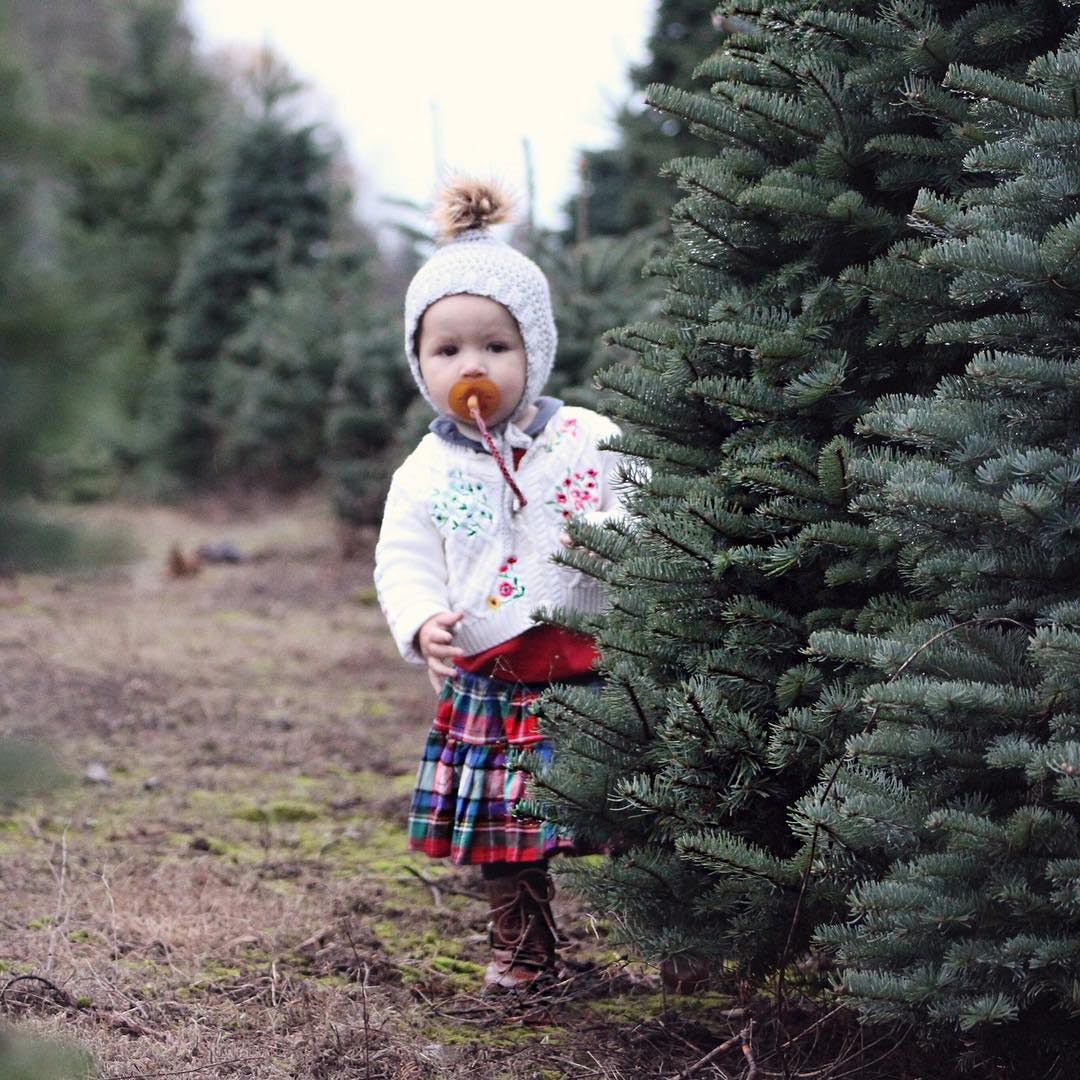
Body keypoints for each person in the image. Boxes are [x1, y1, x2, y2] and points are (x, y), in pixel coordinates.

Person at [373, 178, 629, 992]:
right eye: (447, 351)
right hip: (496, 672)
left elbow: (650, 517)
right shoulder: (426, 469)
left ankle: (677, 933)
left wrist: (612, 545)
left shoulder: (588, 438)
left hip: (594, 667)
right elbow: (403, 559)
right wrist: (420, 625)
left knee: (633, 811)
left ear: (535, 351)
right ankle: (523, 948)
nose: (471, 365)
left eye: (495, 346)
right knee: (503, 836)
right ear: (421, 364)